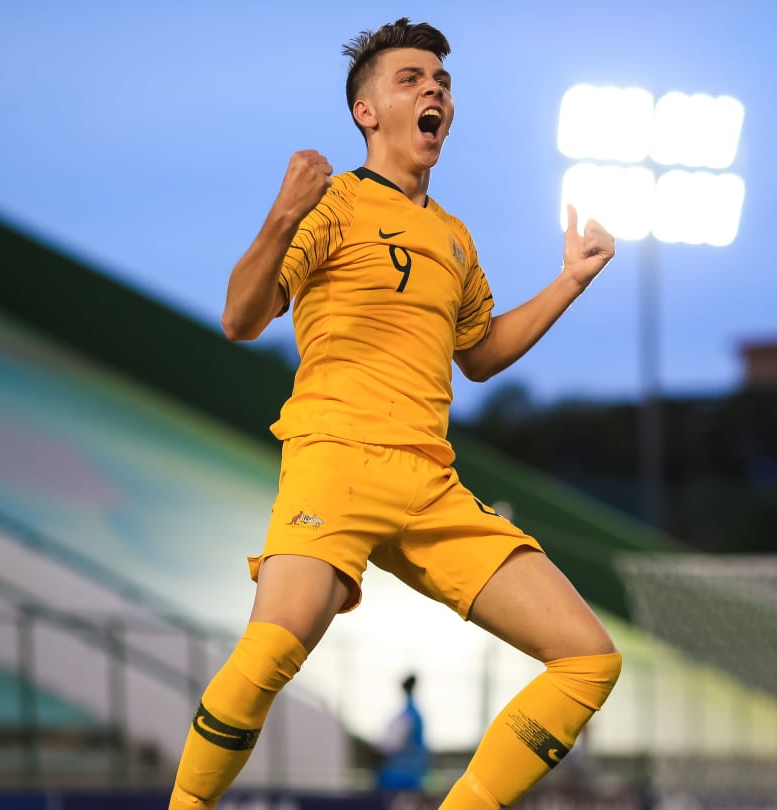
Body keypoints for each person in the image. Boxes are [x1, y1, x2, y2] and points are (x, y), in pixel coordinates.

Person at [169, 18, 621, 810]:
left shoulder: (453, 236)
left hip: (429, 482)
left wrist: (569, 281)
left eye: (441, 81)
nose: (434, 89)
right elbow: (241, 320)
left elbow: (478, 353)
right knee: (273, 649)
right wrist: (282, 214)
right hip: (334, 457)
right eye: (411, 79)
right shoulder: (333, 206)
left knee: (588, 658)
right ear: (366, 112)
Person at [376, 674, 430, 792]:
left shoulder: (408, 715)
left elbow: (392, 744)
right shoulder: (416, 714)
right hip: (415, 776)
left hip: (402, 779)